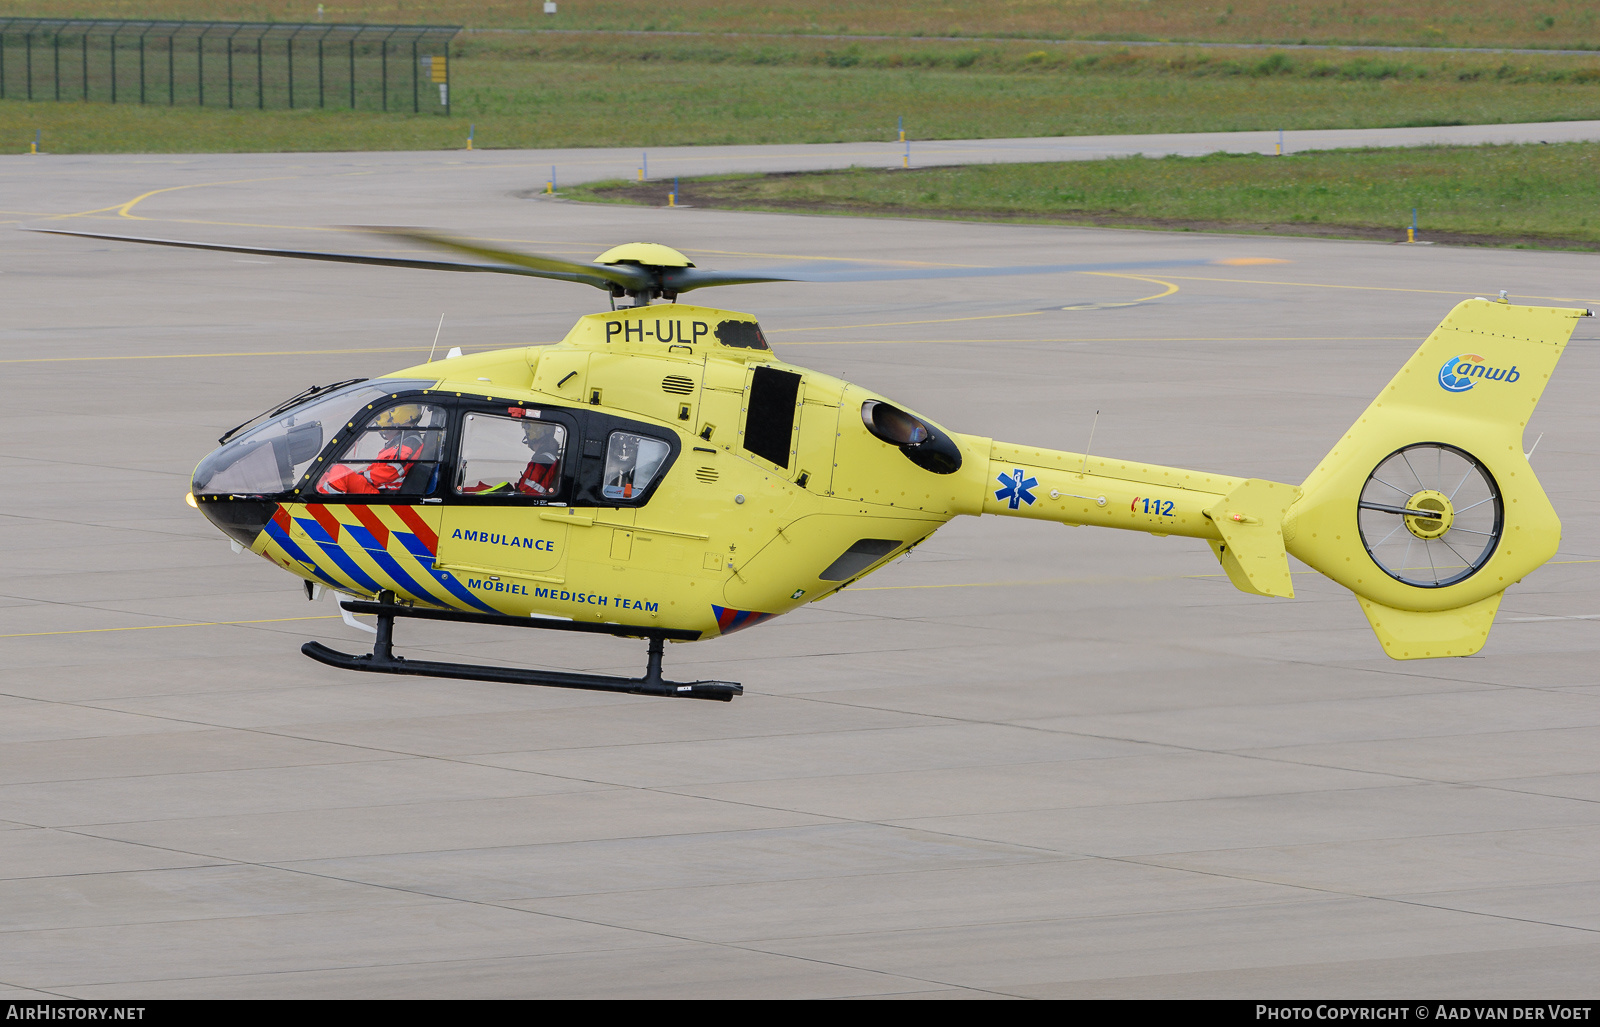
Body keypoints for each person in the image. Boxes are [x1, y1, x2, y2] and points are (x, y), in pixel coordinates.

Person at [318, 404, 425, 495]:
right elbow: (377, 468)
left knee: (339, 472)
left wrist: (363, 476)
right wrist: (361, 475)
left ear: (401, 416)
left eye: (387, 430)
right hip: (377, 487)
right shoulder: (400, 442)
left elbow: (392, 472)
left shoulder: (410, 441)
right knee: (327, 473)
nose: (385, 433)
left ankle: (323, 508)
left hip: (383, 492)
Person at [459, 420, 563, 496]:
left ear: (533, 433)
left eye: (527, 431)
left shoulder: (543, 461)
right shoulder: (548, 459)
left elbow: (526, 494)